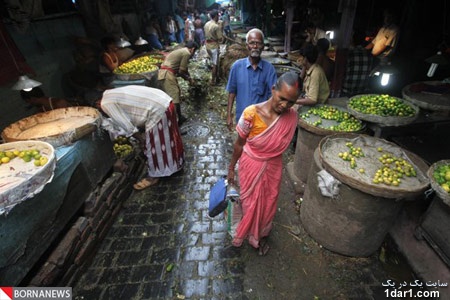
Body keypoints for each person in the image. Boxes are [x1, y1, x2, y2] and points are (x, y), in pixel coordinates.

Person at [227, 72, 300, 256]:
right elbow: (239, 144)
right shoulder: (251, 113)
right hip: (251, 165)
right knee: (250, 202)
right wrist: (231, 168)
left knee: (268, 203)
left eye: (291, 102)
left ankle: (260, 234)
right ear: (273, 89)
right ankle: (251, 233)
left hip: (273, 167)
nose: (285, 105)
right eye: (282, 98)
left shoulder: (291, 117)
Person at [96, 85, 184, 190]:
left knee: (154, 145)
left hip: (158, 110)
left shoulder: (105, 103)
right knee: (168, 138)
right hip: (165, 101)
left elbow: (127, 125)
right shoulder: (109, 92)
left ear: (97, 103)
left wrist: (141, 140)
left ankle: (155, 176)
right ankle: (176, 163)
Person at [226, 28, 277, 131]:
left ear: (263, 46)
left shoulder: (269, 69)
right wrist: (228, 115)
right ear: (247, 46)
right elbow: (232, 93)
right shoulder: (237, 67)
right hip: (242, 119)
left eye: (258, 43)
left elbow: (273, 96)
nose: (255, 46)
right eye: (252, 43)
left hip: (261, 121)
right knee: (241, 145)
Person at [157, 40, 197, 125]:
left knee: (176, 95)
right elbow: (182, 71)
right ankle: (174, 125)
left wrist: (189, 77)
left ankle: (180, 117)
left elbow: (183, 70)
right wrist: (189, 79)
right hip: (167, 74)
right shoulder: (187, 53)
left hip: (165, 73)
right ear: (192, 49)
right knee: (174, 100)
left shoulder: (181, 50)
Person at [342, 30, 374, 96]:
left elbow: (342, 71)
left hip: (348, 89)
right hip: (362, 90)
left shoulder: (349, 54)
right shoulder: (369, 55)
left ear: (353, 40)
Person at [204, 9, 223, 85]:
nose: (218, 17)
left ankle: (216, 78)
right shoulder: (216, 26)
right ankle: (213, 81)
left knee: (213, 62)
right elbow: (220, 39)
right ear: (215, 16)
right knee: (215, 64)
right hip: (214, 46)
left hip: (207, 46)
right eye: (218, 15)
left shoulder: (206, 24)